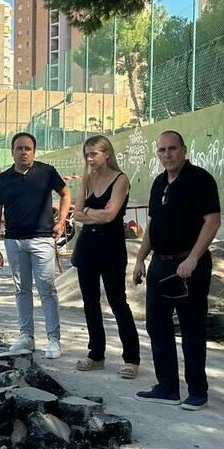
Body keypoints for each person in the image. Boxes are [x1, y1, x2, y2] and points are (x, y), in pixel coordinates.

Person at [132, 131, 221, 410]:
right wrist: (140, 259)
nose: (167, 154)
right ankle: (167, 386)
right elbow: (152, 224)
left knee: (191, 327)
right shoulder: (159, 182)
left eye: (172, 149)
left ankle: (197, 391)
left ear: (183, 150)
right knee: (156, 326)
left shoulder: (200, 180)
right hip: (161, 262)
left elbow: (213, 221)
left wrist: (194, 257)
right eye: (161, 150)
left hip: (189, 265)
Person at [0, 132, 71, 358]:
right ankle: (26, 337)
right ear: (12, 151)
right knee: (21, 290)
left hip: (42, 240)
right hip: (14, 242)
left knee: (47, 290)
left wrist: (62, 221)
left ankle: (54, 340)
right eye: (19, 148)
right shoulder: (3, 179)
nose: (23, 152)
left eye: (27, 148)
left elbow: (65, 193)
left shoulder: (46, 172)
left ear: (34, 151)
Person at [71, 135, 140, 378]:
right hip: (87, 246)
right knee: (90, 302)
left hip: (111, 247)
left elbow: (111, 216)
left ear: (106, 153)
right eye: (87, 154)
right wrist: (92, 213)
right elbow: (76, 214)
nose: (90, 159)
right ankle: (96, 354)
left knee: (117, 301)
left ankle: (132, 359)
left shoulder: (120, 180)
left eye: (94, 154)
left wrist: (89, 212)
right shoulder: (87, 179)